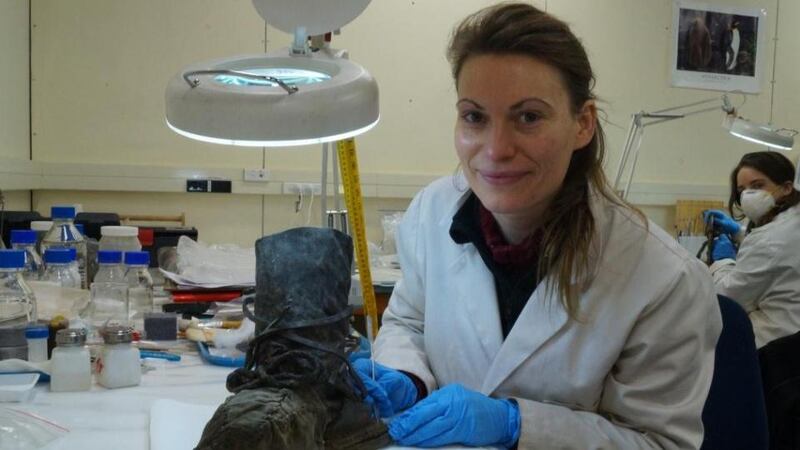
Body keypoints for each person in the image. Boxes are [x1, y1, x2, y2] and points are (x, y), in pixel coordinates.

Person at [353, 3, 722, 449]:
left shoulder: (665, 280)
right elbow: (409, 320)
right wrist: (404, 374)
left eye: (528, 117)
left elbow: (661, 444)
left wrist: (517, 425)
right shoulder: (432, 211)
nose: (496, 148)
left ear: (582, 123)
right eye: (474, 116)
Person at [704, 151, 800, 348]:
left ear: (786, 187)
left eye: (758, 186)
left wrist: (723, 261)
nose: (748, 195)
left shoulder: (770, 240)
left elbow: (728, 297)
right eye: (742, 190)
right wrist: (738, 232)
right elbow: (772, 253)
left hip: (776, 347)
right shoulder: (791, 221)